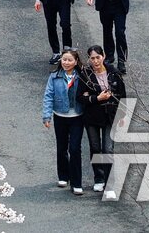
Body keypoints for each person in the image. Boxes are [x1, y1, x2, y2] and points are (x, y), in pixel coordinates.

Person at [78, 46, 125, 199]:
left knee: (108, 149)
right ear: (89, 60)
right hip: (91, 116)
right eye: (92, 58)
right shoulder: (85, 74)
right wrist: (96, 98)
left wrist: (122, 115)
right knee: (95, 147)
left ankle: (109, 184)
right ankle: (98, 177)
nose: (95, 61)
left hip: (110, 116)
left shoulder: (114, 73)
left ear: (103, 56)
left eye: (98, 57)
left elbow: (122, 95)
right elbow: (80, 97)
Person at [41, 48, 86, 195]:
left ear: (76, 62)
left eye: (69, 60)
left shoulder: (82, 76)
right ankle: (63, 176)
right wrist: (47, 116)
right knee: (61, 147)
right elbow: (48, 96)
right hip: (60, 116)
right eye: (64, 59)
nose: (66, 62)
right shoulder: (54, 76)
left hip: (77, 117)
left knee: (75, 148)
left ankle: (76, 182)